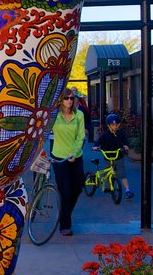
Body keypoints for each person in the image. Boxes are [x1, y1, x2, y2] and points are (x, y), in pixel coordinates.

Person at [51, 88, 86, 236]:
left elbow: (81, 136)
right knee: (65, 190)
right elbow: (41, 131)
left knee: (77, 187)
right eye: (66, 98)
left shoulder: (79, 115)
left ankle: (64, 213)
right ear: (61, 100)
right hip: (59, 157)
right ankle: (65, 224)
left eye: (72, 98)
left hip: (75, 157)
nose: (69, 101)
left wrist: (74, 152)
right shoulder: (54, 116)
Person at [93, 113, 134, 199]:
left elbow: (125, 141)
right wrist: (96, 146)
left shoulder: (121, 133)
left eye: (116, 125)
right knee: (107, 172)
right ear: (109, 126)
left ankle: (127, 190)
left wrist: (126, 146)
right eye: (113, 125)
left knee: (121, 173)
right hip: (108, 156)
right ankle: (108, 187)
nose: (115, 126)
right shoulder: (105, 134)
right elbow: (99, 141)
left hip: (118, 156)